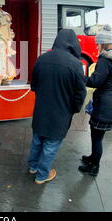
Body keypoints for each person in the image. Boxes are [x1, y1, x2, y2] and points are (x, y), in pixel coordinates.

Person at [29, 29, 87, 184]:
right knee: (50, 145)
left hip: (41, 109)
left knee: (37, 140)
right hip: (61, 111)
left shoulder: (42, 59)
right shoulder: (76, 64)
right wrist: (74, 108)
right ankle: (42, 175)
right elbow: (80, 93)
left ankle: (33, 167)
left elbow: (33, 85)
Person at [79, 25, 112, 176]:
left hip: (105, 105)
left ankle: (94, 167)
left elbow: (95, 81)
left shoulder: (105, 59)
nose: (96, 46)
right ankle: (92, 157)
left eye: (98, 43)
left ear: (103, 43)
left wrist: (81, 77)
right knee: (98, 136)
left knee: (97, 137)